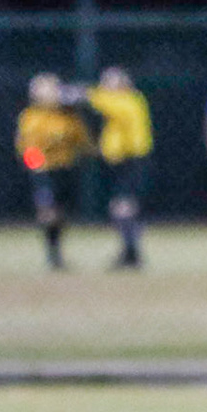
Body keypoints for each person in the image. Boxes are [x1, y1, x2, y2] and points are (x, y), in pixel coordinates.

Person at [14, 73, 91, 270]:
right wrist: (37, 167)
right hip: (45, 171)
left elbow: (82, 142)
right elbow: (25, 147)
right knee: (48, 212)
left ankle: (57, 253)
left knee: (60, 213)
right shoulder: (30, 117)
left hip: (65, 169)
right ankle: (52, 254)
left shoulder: (68, 117)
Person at [82, 67, 154, 269]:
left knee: (123, 208)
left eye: (109, 82)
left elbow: (99, 101)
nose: (104, 86)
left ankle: (131, 253)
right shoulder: (119, 101)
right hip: (123, 163)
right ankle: (130, 252)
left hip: (134, 161)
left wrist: (73, 93)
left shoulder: (130, 101)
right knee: (122, 208)